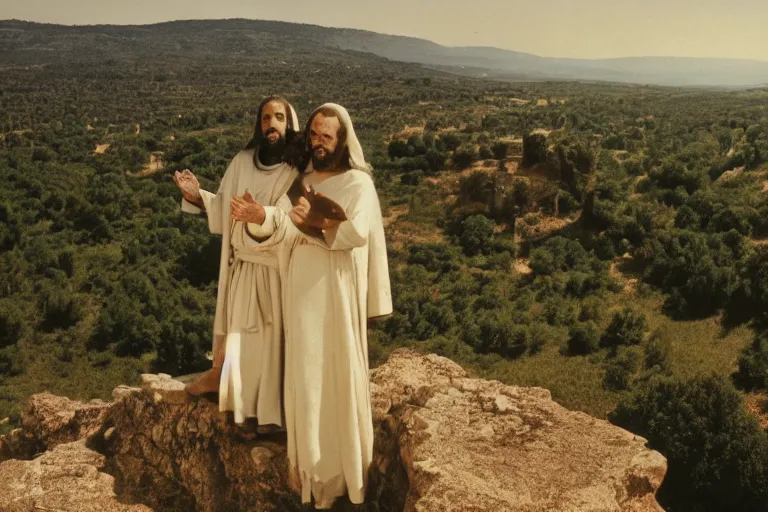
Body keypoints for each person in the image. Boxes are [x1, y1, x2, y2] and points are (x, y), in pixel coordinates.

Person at [238, 103, 392, 508]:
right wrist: (259, 217)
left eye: (327, 136)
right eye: (314, 135)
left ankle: (340, 474)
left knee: (335, 373)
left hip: (335, 292)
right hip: (301, 290)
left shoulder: (359, 184)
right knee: (306, 374)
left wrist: (321, 224)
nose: (318, 142)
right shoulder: (302, 180)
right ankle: (312, 474)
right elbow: (282, 222)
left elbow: (358, 232)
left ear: (342, 140)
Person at [172, 96, 300, 427]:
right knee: (243, 344)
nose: (271, 123)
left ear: (290, 123)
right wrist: (198, 197)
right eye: (265, 118)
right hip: (242, 271)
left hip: (277, 274)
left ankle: (272, 416)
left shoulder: (298, 171)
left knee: (270, 349)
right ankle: (242, 412)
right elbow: (224, 209)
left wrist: (262, 216)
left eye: (279, 117)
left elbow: (295, 220)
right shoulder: (242, 162)